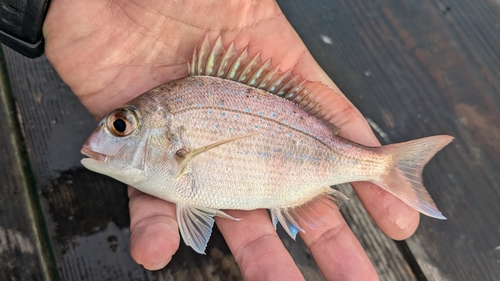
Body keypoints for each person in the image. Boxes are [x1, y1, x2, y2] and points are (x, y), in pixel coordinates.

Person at [43, 1, 420, 280]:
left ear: (170, 140)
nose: (105, 136)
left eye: (121, 126)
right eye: (119, 126)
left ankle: (384, 165)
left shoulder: (173, 142)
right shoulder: (168, 138)